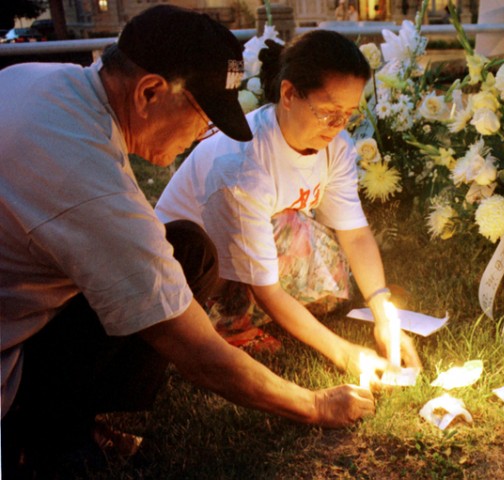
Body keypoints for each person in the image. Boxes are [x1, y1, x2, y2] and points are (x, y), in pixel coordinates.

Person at [0, 5, 376, 477]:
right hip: (9, 358)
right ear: (150, 92)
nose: (206, 133)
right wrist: (315, 405)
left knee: (186, 250)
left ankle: (73, 414)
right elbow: (194, 349)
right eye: (202, 114)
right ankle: (47, 429)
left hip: (19, 308)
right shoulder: (84, 178)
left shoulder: (45, 82)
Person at [155, 30, 422, 381]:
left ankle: (240, 316)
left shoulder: (335, 146)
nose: (337, 127)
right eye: (328, 113)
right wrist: (344, 354)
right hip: (190, 274)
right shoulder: (244, 165)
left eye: (348, 115)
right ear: (289, 94)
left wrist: (383, 310)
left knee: (328, 261)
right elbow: (267, 289)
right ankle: (219, 325)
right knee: (289, 228)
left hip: (250, 254)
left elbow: (354, 234)